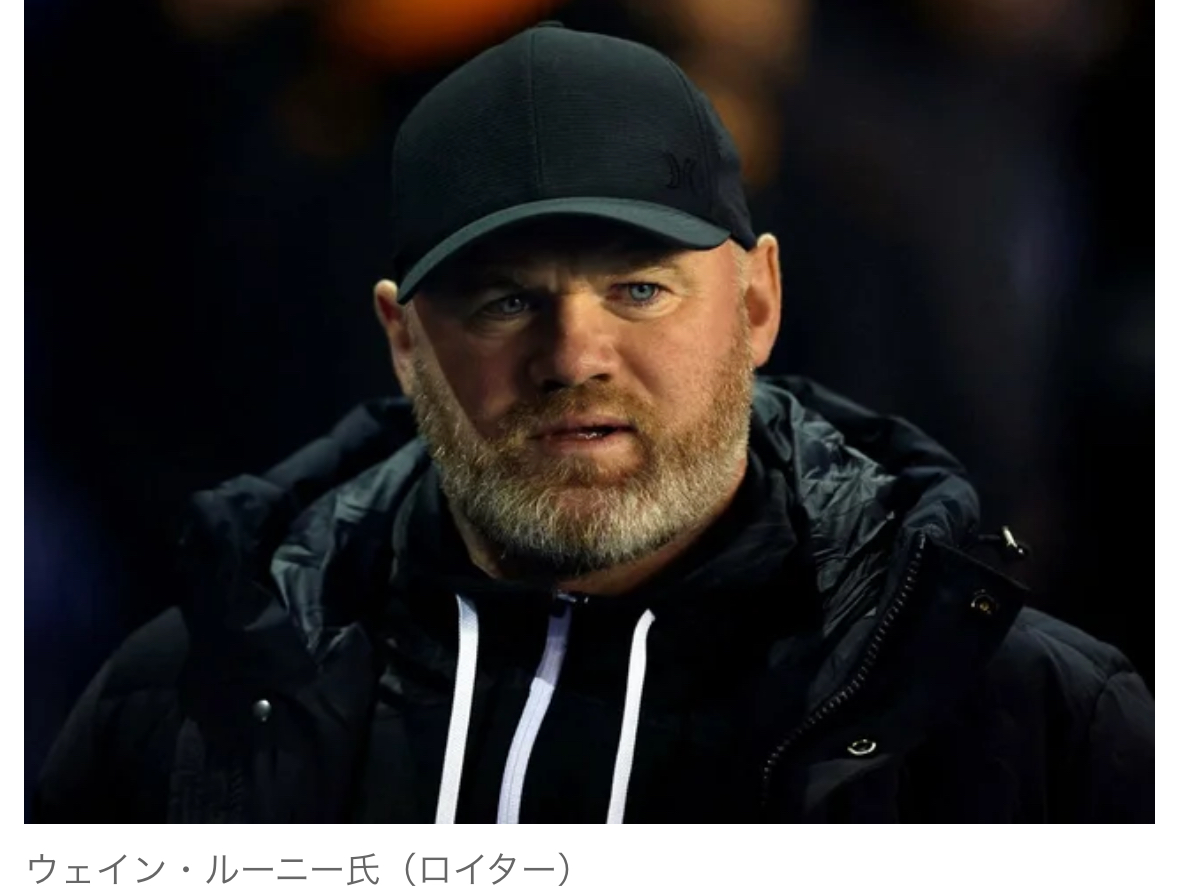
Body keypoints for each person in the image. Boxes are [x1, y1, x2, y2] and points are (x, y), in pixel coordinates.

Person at [33, 22, 1152, 823]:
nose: (573, 356)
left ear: (757, 304)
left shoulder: (1032, 716)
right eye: (503, 298)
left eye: (639, 289)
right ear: (404, 338)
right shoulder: (180, 703)